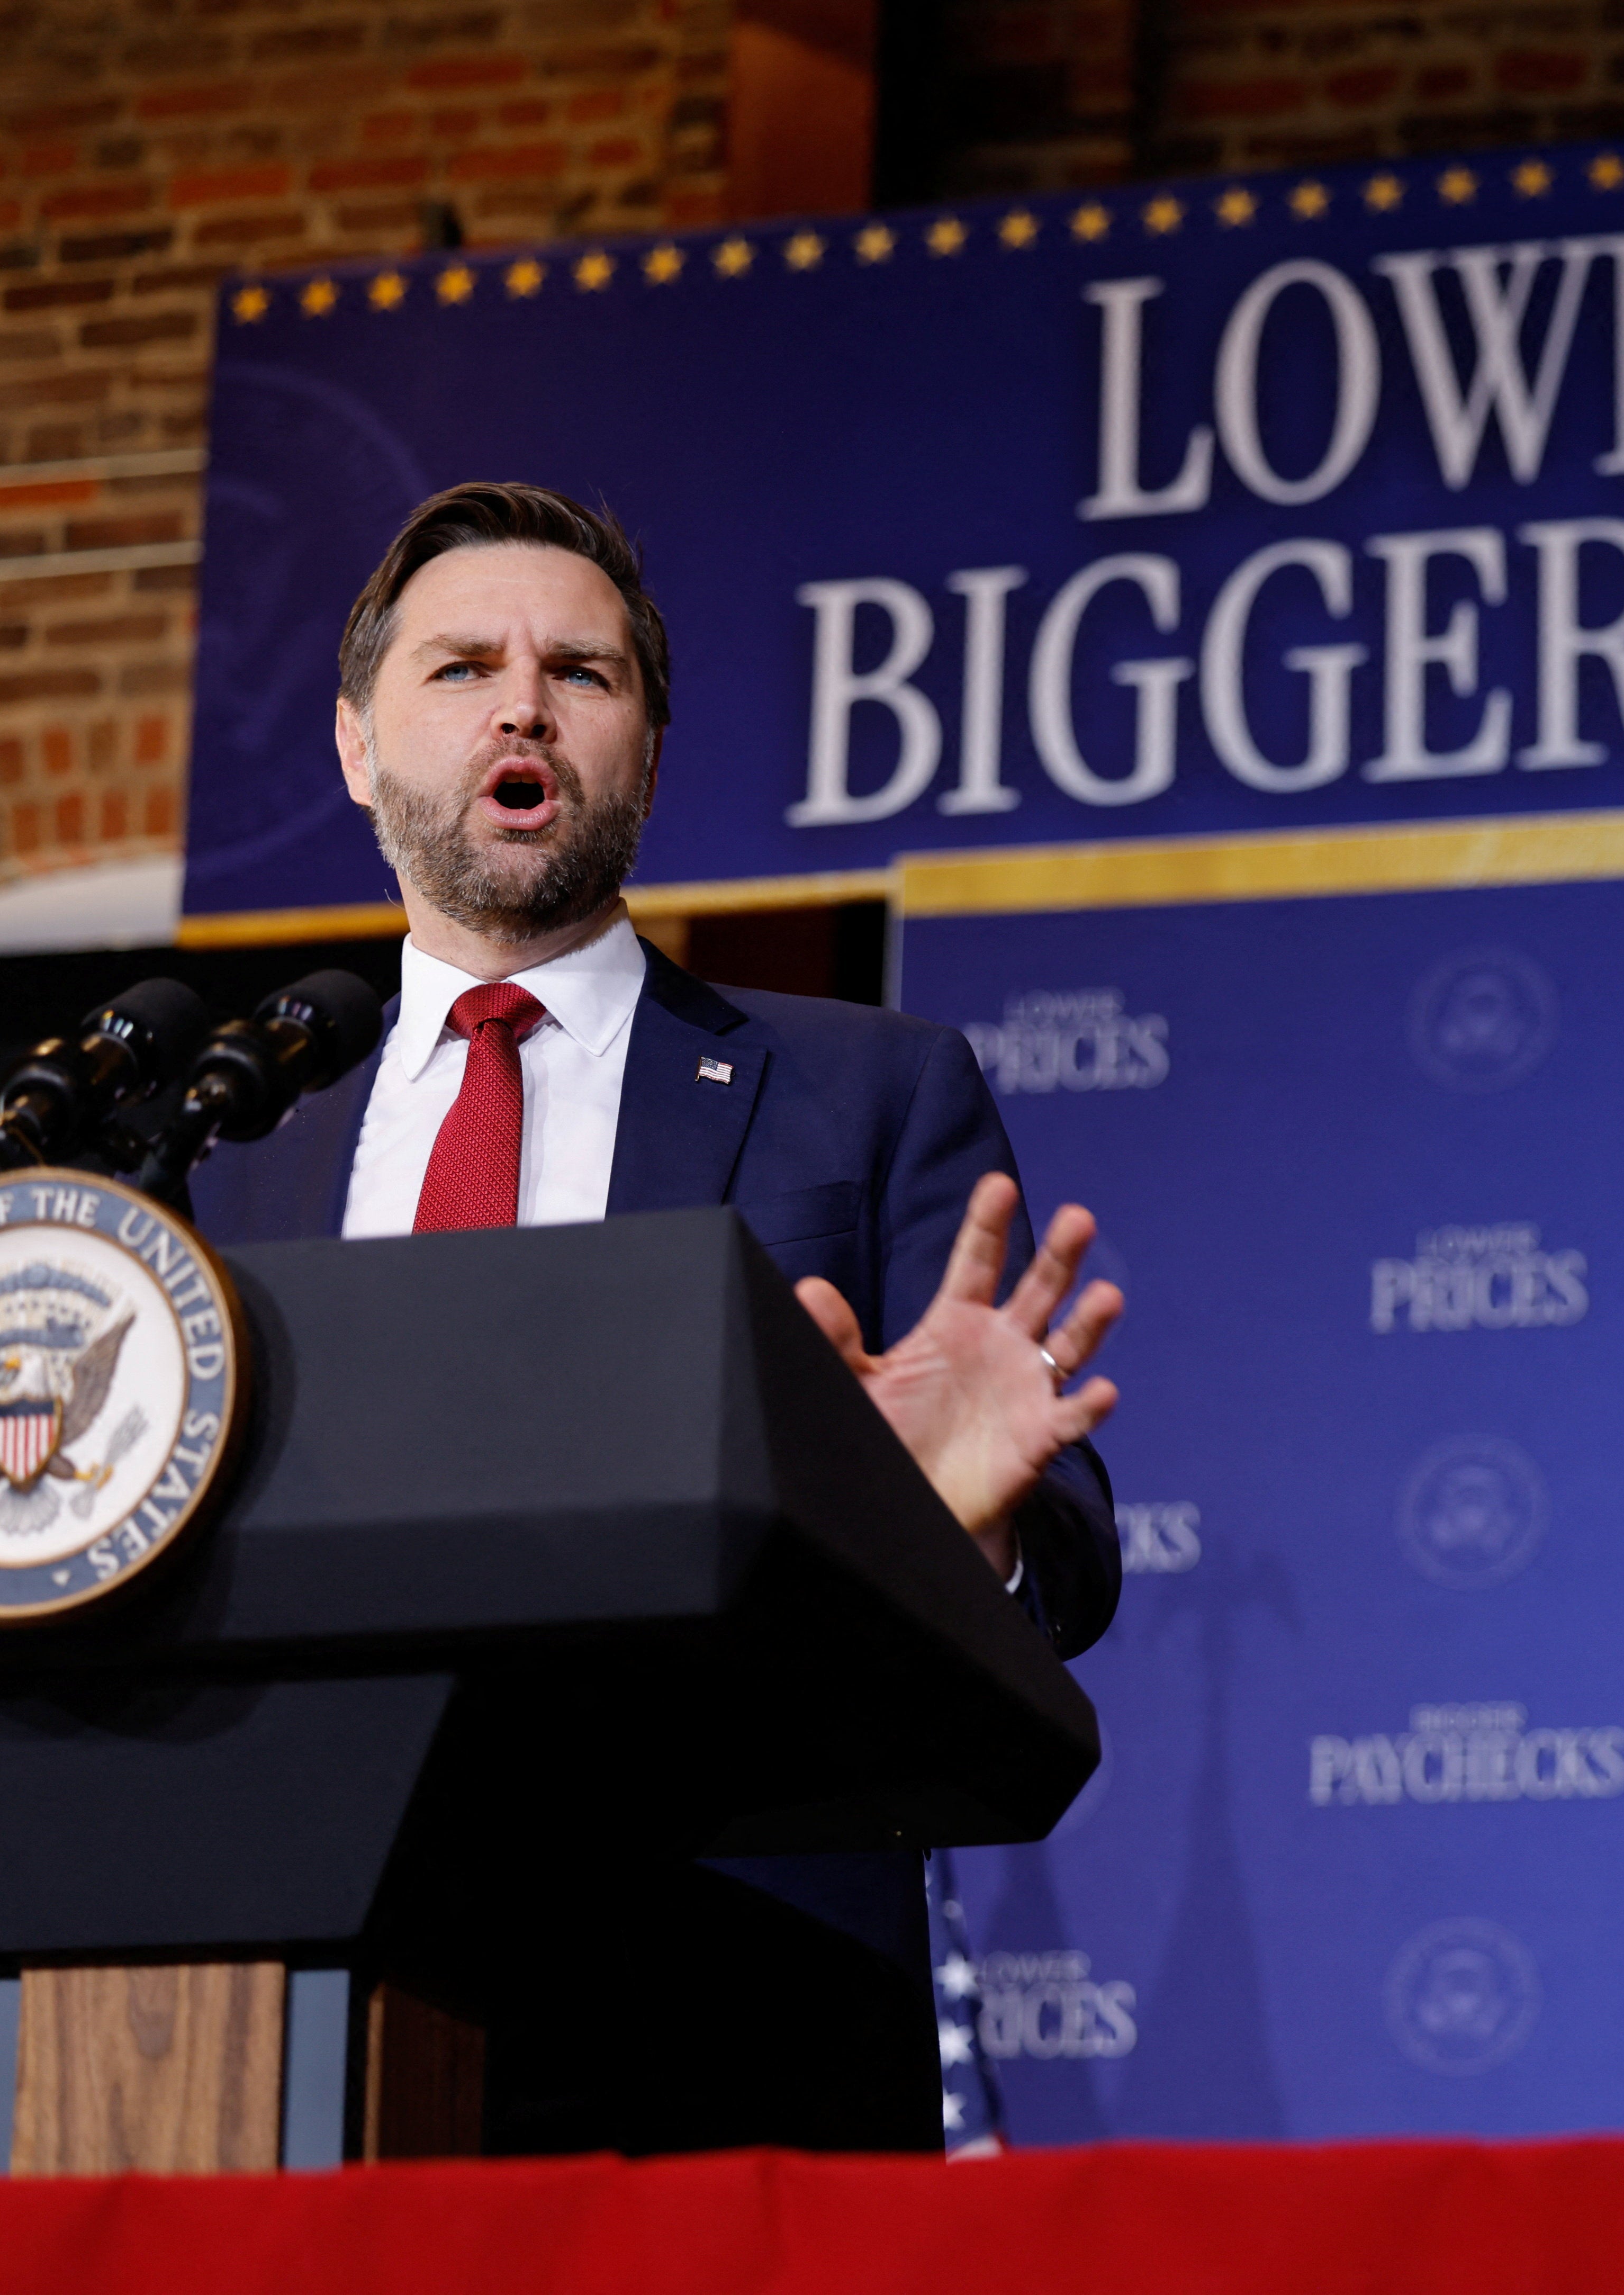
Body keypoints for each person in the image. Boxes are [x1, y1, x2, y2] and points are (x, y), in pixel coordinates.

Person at [202, 479, 1126, 2152]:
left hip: (737, 2004)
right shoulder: (238, 1154)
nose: (523, 705)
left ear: (644, 752)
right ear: (355, 746)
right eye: (462, 666)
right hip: (299, 2009)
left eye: (583, 672)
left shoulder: (870, 1094)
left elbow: (1061, 1556)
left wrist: (941, 1531)